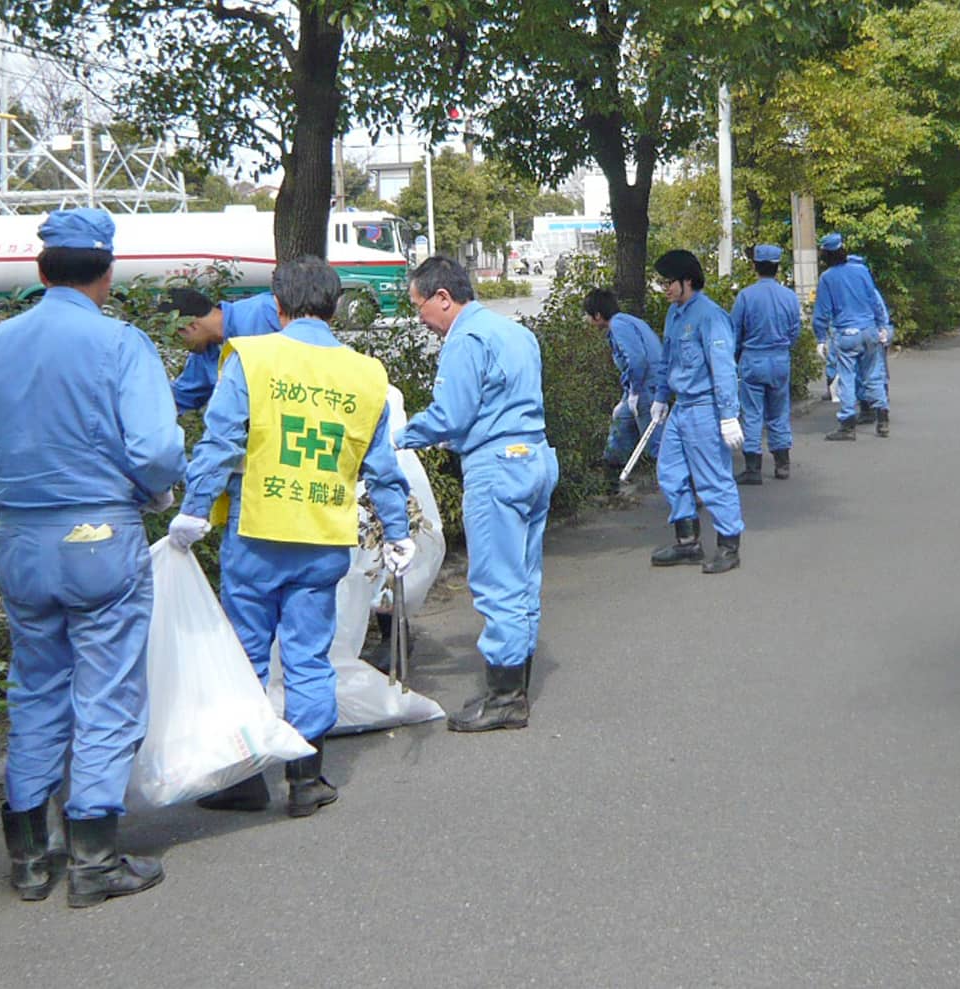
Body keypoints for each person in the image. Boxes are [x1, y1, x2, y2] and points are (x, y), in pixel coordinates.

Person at [0, 207, 186, 909]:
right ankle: (93, 856)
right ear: (107, 273)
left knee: (34, 685)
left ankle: (30, 855)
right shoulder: (120, 343)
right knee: (107, 688)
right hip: (97, 537)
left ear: (39, 270)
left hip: (20, 539)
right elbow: (156, 452)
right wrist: (151, 492)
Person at [168, 255, 413, 817]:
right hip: (322, 537)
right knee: (308, 657)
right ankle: (306, 781)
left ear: (277, 307)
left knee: (248, 655)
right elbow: (382, 468)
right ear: (333, 307)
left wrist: (194, 510)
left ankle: (246, 780)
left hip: (256, 533)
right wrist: (397, 533)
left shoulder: (250, 359)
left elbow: (220, 443)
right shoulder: (365, 373)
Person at [397, 256, 558, 732]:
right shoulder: (515, 332)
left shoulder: (464, 338)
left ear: (443, 298)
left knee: (497, 583)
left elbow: (450, 415)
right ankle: (517, 684)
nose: (420, 320)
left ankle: (505, 700)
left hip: (496, 468)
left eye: (419, 306)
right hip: (535, 457)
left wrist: (398, 436)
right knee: (524, 578)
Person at [647, 249, 745, 574]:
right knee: (670, 473)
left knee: (713, 479)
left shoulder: (710, 316)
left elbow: (723, 368)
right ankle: (687, 542)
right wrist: (661, 398)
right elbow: (667, 360)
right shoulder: (675, 314)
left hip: (705, 408)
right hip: (680, 408)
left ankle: (729, 547)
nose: (665, 289)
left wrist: (728, 415)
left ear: (687, 280)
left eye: (669, 282)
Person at [729, 245, 805, 482]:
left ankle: (753, 468)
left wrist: (735, 356)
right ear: (777, 267)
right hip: (780, 358)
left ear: (755, 266)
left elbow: (734, 332)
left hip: (753, 359)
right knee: (779, 411)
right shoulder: (789, 296)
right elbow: (795, 330)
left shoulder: (745, 296)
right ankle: (782, 464)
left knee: (752, 413)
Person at [813, 233, 891, 439]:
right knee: (873, 375)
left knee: (846, 378)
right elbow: (874, 300)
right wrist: (882, 325)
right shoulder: (862, 271)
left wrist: (820, 338)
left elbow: (822, 312)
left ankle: (847, 425)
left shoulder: (827, 278)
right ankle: (882, 420)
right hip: (869, 330)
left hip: (846, 334)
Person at [583, 288, 666, 480]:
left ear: (597, 315)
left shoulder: (619, 326)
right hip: (641, 387)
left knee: (656, 445)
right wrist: (626, 398)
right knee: (620, 427)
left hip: (647, 388)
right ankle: (610, 481)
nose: (586, 320)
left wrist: (635, 393)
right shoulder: (627, 321)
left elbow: (637, 361)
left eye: (587, 315)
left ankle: (687, 490)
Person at [160, 287, 282, 414]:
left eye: (176, 337)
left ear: (190, 326)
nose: (178, 346)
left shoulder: (266, 311)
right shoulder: (204, 353)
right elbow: (182, 397)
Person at [847, 253, 893, 425]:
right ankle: (880, 412)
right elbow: (881, 313)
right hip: (872, 334)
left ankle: (867, 409)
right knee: (874, 373)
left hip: (857, 335)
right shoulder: (870, 290)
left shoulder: (849, 292)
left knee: (862, 374)